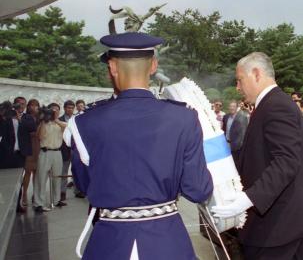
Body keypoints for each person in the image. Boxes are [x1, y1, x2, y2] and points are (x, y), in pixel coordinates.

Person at [68, 32, 213, 259]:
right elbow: (198, 190)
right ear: (154, 65)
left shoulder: (83, 122)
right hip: (168, 244)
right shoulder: (183, 118)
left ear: (113, 67)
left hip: (109, 244)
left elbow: (85, 185)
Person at [212, 52, 303, 260]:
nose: (238, 87)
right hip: (281, 223)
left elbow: (286, 161)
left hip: (277, 226)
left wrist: (248, 198)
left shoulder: (276, 105)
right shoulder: (270, 104)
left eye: (240, 80)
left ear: (257, 74)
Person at [33, 103, 67, 212]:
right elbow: (40, 136)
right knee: (41, 178)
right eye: (52, 110)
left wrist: (55, 119)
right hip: (45, 152)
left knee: (57, 177)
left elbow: (66, 128)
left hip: (57, 152)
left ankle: (56, 200)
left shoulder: (60, 123)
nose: (54, 112)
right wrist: (44, 120)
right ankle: (39, 203)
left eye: (57, 110)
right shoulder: (43, 123)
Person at [19, 99, 40, 209]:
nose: (34, 107)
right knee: (28, 172)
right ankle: (24, 195)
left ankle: (34, 196)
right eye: (32, 105)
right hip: (30, 147)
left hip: (38, 147)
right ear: (29, 106)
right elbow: (32, 132)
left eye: (36, 106)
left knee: (37, 173)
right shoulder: (26, 117)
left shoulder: (40, 118)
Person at [59, 100, 75, 201]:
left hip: (75, 149)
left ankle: (78, 190)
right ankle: (62, 192)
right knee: (64, 172)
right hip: (64, 149)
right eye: (68, 108)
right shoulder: (59, 119)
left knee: (76, 170)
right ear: (64, 108)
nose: (70, 109)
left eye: (72, 108)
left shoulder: (76, 119)